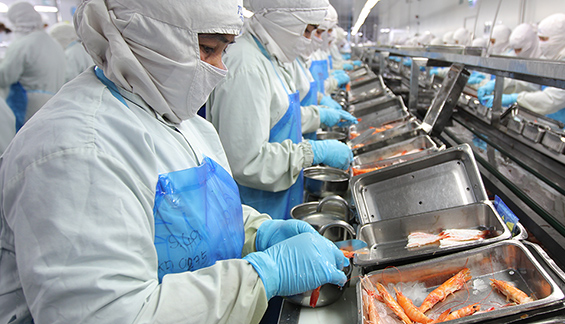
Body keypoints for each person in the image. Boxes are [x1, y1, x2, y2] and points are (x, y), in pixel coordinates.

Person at [0, 0, 349, 323]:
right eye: (208, 49)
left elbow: (187, 212)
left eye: (224, 51)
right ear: (146, 33)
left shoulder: (177, 119)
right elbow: (115, 315)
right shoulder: (76, 152)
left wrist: (256, 233)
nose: (221, 69)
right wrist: (264, 273)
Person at [206, 0, 356, 220]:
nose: (309, 39)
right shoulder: (247, 67)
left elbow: (280, 116)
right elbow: (246, 162)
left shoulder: (270, 57)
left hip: (278, 197)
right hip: (254, 206)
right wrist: (311, 153)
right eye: (306, 30)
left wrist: (320, 114)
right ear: (282, 20)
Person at [482, 13, 565, 137]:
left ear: (561, 38)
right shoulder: (547, 60)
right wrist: (499, 85)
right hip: (551, 130)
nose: (541, 44)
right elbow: (530, 84)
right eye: (540, 39)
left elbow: (550, 100)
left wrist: (515, 98)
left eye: (544, 39)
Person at [0, 2, 66, 129]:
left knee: (23, 142)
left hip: (28, 105)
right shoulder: (54, 43)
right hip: (53, 103)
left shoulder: (24, 43)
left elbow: (5, 77)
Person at [477, 23, 542, 100]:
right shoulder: (518, 57)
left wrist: (510, 96)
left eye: (519, 50)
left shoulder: (540, 60)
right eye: (515, 50)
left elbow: (527, 86)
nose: (517, 53)